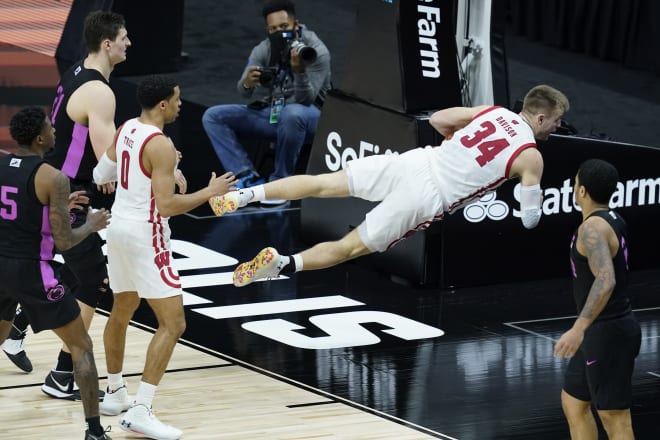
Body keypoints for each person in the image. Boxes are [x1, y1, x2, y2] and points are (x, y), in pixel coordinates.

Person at [209, 84, 570, 286]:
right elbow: (529, 220)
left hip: (415, 162)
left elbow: (440, 118)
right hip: (429, 196)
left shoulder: (493, 111)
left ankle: (244, 195)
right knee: (349, 247)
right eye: (556, 121)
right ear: (540, 116)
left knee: (321, 183)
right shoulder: (531, 155)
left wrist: (453, 141)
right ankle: (283, 264)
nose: (557, 127)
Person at [92, 75, 236, 439]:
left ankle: (114, 391)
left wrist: (166, 170)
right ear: (161, 105)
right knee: (173, 324)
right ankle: (141, 410)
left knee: (122, 307)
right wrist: (210, 190)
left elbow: (100, 174)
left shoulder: (127, 128)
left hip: (118, 228)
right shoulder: (161, 145)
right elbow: (168, 206)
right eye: (176, 99)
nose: (180, 104)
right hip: (146, 234)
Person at [3, 10, 131, 398]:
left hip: (51, 183)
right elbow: (107, 162)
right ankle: (62, 376)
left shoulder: (78, 70)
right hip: (68, 191)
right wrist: (153, 158)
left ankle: (17, 330)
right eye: (124, 37)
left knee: (52, 269)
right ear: (107, 43)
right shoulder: (100, 92)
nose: (129, 43)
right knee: (93, 281)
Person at [0, 106, 112, 440]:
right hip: (33, 271)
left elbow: (19, 208)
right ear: (39, 138)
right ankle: (94, 430)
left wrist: (57, 206)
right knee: (81, 346)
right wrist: (90, 226)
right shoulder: (53, 177)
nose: (55, 132)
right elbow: (64, 242)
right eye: (51, 128)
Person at [201, 0, 331, 199]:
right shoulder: (264, 49)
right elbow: (243, 92)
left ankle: (280, 185)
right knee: (214, 116)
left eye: (284, 27)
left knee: (292, 113)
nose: (279, 32)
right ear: (267, 30)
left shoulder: (315, 50)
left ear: (296, 25)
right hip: (275, 113)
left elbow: (307, 99)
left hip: (312, 117)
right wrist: (247, 82)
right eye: (273, 28)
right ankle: (246, 176)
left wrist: (300, 72)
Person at [553, 159, 641, 440]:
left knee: (615, 419)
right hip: (601, 330)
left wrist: (578, 328)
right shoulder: (613, 218)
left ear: (582, 191)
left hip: (608, 332)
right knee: (574, 402)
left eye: (576, 182)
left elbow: (606, 279)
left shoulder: (591, 229)